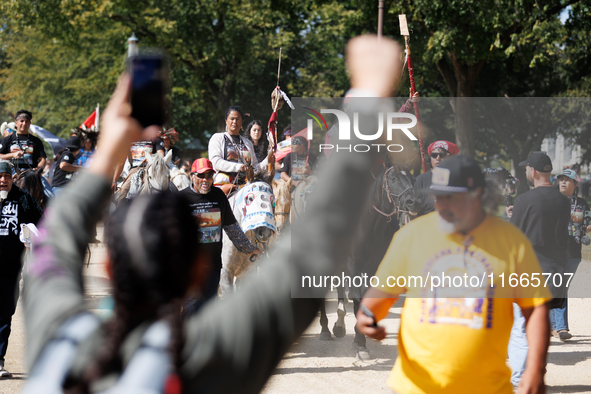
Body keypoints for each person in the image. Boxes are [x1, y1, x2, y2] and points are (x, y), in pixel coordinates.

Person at [22, 33, 401, 393]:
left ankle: (263, 236)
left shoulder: (59, 338)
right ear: (198, 268)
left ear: (109, 267)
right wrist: (367, 102)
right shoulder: (214, 361)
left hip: (248, 182)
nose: (237, 124)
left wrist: (110, 147)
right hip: (222, 183)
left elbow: (55, 241)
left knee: (272, 193)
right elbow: (316, 246)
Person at [357, 155, 551, 394]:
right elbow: (382, 290)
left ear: (479, 194)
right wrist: (368, 314)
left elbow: (535, 311)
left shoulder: (511, 243)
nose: (443, 204)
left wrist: (535, 369)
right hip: (417, 386)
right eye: (438, 196)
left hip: (486, 387)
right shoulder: (411, 236)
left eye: (454, 197)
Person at [508, 151, 570, 386]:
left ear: (532, 171)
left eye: (526, 169)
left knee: (521, 328)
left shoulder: (524, 200)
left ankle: (518, 379)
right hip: (555, 270)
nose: (526, 172)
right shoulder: (563, 200)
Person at [179, 157, 260, 304]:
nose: (206, 179)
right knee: (191, 311)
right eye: (201, 175)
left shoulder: (219, 196)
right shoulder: (181, 198)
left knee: (209, 310)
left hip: (213, 267)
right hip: (190, 269)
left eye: (209, 175)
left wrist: (250, 249)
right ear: (192, 176)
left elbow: (232, 228)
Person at [0, 160, 42, 378]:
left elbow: (44, 221)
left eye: (6, 177)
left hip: (10, 269)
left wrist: (32, 232)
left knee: (5, 314)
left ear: (12, 178)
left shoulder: (24, 199)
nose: (3, 180)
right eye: (0, 177)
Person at [551, 168, 591, 341]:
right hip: (553, 251)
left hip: (574, 252)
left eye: (567, 180)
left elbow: (588, 223)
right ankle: (560, 328)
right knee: (559, 285)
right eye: (560, 179)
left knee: (560, 286)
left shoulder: (582, 204)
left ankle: (554, 325)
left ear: (575, 184)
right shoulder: (552, 200)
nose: (563, 182)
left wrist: (587, 230)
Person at [208, 106, 273, 195]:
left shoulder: (247, 143)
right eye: (232, 119)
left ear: (241, 121)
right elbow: (215, 162)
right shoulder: (218, 138)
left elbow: (254, 168)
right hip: (223, 185)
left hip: (246, 186)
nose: (235, 122)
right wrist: (238, 167)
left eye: (238, 119)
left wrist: (267, 161)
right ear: (226, 120)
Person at [414, 140, 459, 216]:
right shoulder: (420, 181)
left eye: (442, 155)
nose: (438, 158)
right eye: (434, 155)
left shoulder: (458, 180)